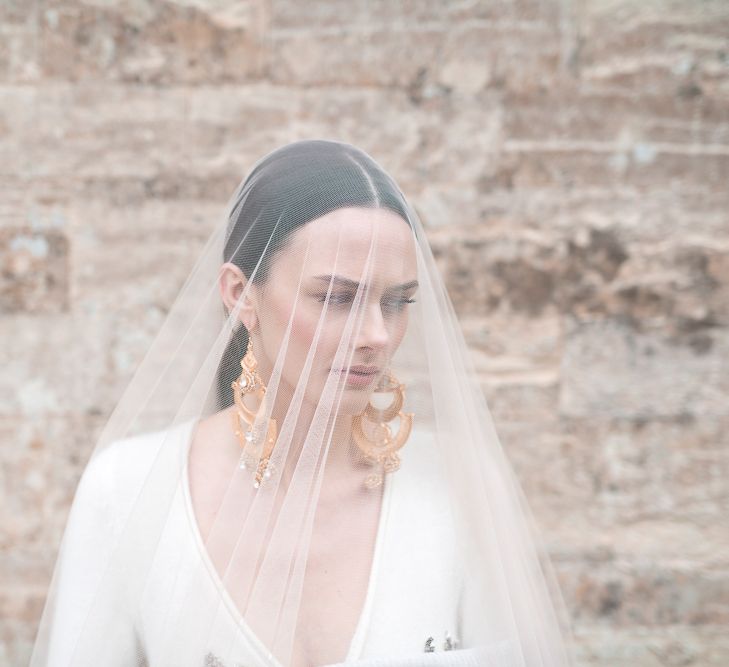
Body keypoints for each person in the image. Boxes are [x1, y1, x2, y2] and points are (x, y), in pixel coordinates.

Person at [29, 140, 575, 667]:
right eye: (337, 297)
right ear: (241, 295)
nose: (378, 334)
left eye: (398, 301)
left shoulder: (460, 483)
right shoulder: (127, 489)